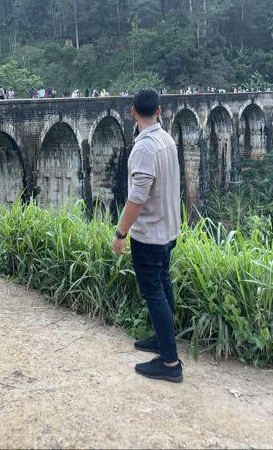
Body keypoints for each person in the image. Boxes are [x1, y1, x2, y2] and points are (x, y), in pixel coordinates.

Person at [112, 88, 183, 383]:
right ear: (159, 111)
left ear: (133, 112)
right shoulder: (166, 139)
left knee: (153, 293)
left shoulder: (144, 148)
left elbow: (137, 198)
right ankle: (162, 340)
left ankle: (170, 364)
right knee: (163, 286)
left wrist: (120, 233)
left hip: (150, 234)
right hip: (169, 229)